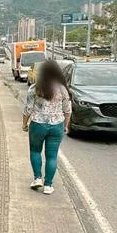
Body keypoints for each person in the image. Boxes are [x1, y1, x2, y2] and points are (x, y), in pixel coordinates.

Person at [23, 60, 71, 195]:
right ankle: (48, 185)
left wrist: (24, 124)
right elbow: (68, 110)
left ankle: (37, 178)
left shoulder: (35, 88)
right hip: (56, 126)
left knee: (35, 151)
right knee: (52, 156)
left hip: (37, 124)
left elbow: (28, 109)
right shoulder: (62, 89)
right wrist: (65, 126)